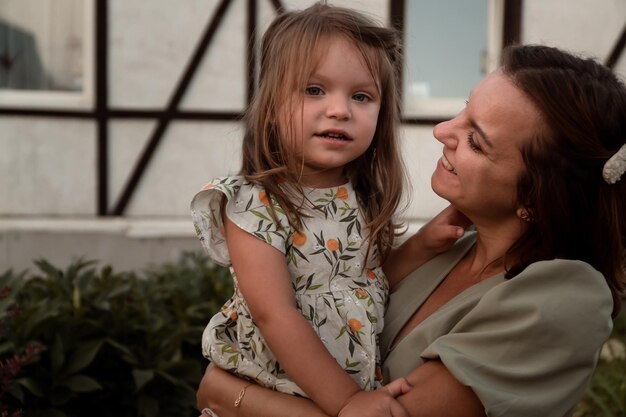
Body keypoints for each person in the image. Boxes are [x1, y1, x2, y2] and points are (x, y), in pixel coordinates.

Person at [195, 44, 626, 417]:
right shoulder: (447, 249)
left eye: (476, 140)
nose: (442, 132)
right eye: (463, 110)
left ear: (534, 198)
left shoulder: (565, 295)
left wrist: (230, 394)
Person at [190, 3, 465, 417]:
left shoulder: (361, 198)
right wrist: (349, 401)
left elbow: (363, 282)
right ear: (271, 105)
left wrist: (423, 246)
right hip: (269, 398)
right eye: (314, 90)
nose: (340, 109)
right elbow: (274, 314)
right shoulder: (255, 203)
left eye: (361, 96)